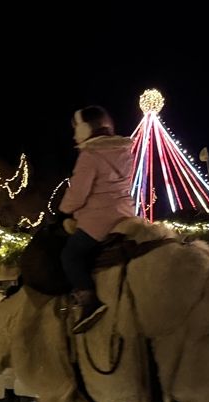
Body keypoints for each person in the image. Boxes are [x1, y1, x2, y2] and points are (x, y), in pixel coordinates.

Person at [59, 105, 137, 333]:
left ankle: (88, 300)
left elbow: (78, 194)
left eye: (76, 129)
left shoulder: (90, 155)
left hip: (98, 221)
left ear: (84, 129)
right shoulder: (125, 151)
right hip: (126, 216)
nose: (74, 135)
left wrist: (63, 210)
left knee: (70, 255)